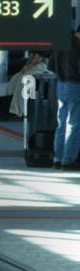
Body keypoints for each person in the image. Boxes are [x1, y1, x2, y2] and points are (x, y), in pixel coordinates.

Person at [50, 22, 80, 169]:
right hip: (75, 85)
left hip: (60, 85)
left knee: (61, 123)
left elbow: (51, 66)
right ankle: (68, 160)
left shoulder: (61, 43)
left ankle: (57, 158)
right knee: (74, 124)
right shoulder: (78, 46)